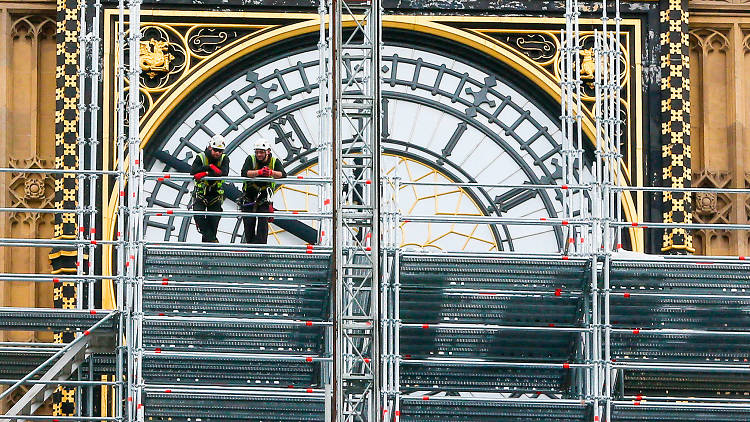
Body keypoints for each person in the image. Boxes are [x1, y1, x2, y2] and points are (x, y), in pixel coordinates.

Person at [240, 138, 286, 243]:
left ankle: (261, 248)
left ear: (268, 152)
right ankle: (251, 246)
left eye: (261, 152)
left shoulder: (274, 161)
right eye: (257, 152)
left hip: (264, 197)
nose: (259, 155)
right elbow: (244, 173)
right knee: (248, 224)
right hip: (249, 196)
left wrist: (270, 172)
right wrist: (259, 172)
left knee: (263, 224)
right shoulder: (251, 159)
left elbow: (282, 174)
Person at [190, 135, 229, 242]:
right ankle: (213, 242)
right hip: (201, 194)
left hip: (215, 194)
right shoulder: (201, 157)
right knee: (198, 216)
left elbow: (223, 173)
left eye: (220, 151)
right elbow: (193, 171)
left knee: (213, 222)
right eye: (216, 150)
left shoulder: (224, 158)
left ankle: (209, 246)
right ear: (210, 148)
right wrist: (209, 168)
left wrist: (206, 172)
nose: (218, 153)